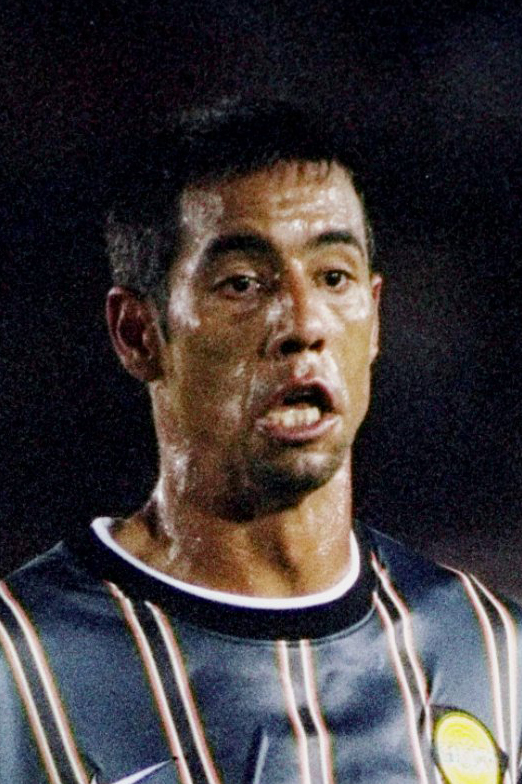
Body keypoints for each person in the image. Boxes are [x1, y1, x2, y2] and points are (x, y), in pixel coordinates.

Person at [0, 100, 520, 784]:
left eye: (333, 277)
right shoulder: (21, 667)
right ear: (137, 334)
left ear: (375, 317)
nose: (303, 323)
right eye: (242, 284)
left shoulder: (491, 654)